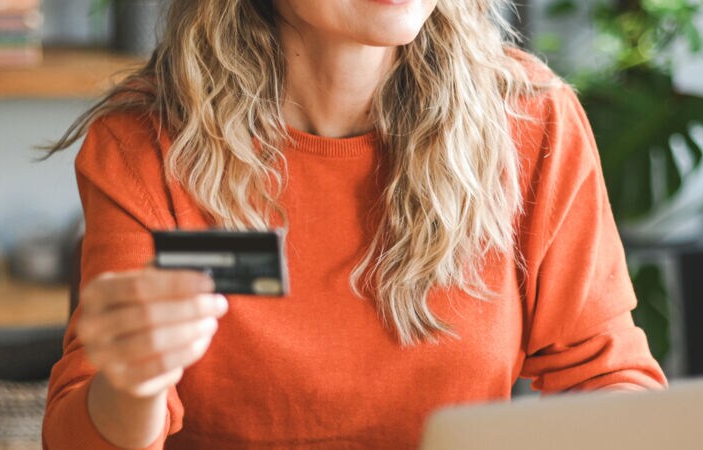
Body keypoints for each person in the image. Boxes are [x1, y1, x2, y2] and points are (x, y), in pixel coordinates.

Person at [40, 0, 666, 448]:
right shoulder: (143, 146)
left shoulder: (532, 121)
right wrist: (136, 386)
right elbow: (78, 431)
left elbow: (607, 379)